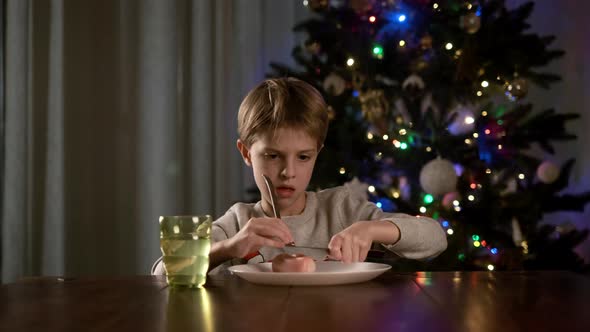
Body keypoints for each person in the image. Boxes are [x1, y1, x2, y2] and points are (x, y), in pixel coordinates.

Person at [152, 77, 446, 275]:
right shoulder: (240, 222)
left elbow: (436, 238)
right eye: (272, 155)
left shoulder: (342, 209)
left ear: (317, 152)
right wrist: (228, 248)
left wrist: (371, 231)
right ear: (245, 153)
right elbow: (162, 272)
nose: (287, 172)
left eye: (303, 157)